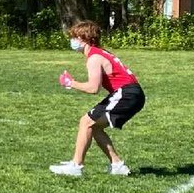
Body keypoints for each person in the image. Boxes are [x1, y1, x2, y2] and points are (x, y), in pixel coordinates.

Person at [50, 20, 145, 177]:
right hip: (130, 94)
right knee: (93, 126)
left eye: (75, 37)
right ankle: (117, 165)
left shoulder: (94, 57)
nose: (72, 40)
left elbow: (94, 88)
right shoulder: (99, 53)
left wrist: (70, 83)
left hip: (126, 94)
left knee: (86, 122)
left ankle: (76, 166)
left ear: (85, 38)